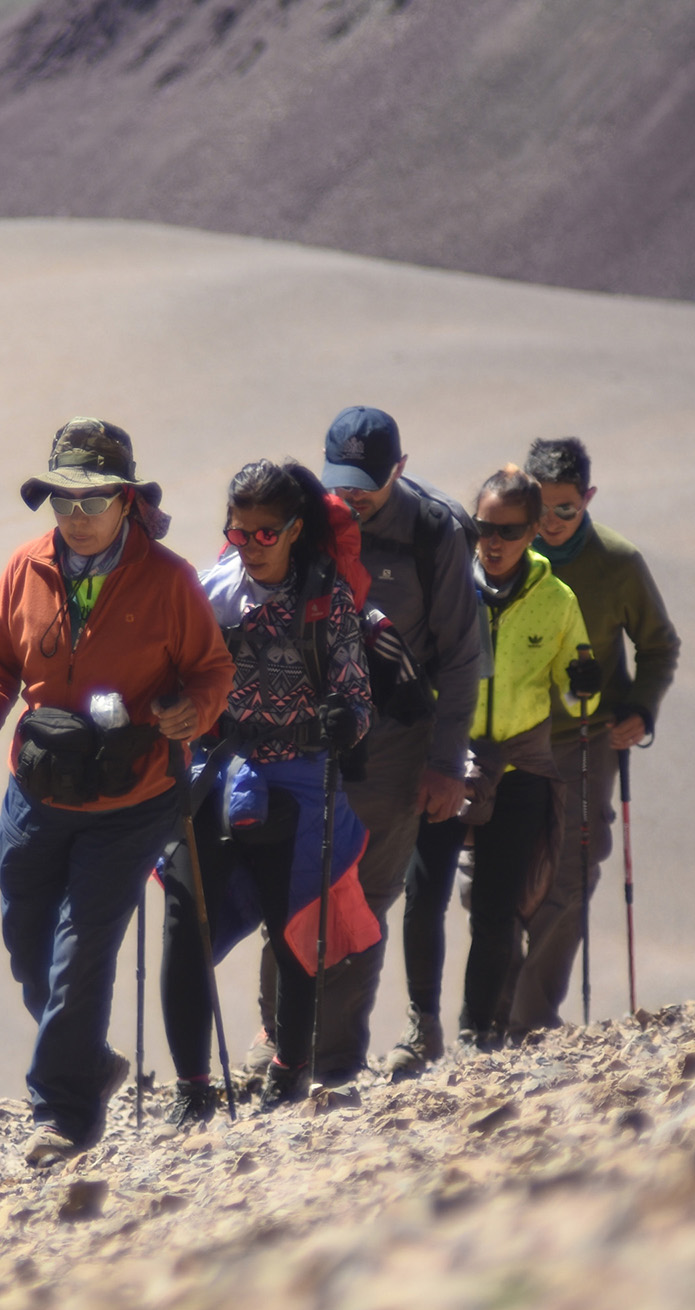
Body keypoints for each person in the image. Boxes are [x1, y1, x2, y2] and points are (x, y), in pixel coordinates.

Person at [0, 418, 232, 1166]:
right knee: (27, 942)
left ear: (126, 499)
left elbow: (211, 672)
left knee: (82, 952)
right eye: (61, 497)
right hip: (35, 796)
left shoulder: (169, 581)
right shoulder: (25, 567)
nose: (75, 513)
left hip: (133, 797)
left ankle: (62, 1114)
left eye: (92, 497)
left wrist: (188, 714)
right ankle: (91, 1063)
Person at [261, 407, 481, 1081]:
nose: (350, 494)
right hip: (307, 741)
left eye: (366, 481)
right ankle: (281, 1046)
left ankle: (335, 1063)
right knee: (290, 895)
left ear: (400, 469)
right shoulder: (307, 518)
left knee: (365, 898)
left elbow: (462, 657)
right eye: (340, 479)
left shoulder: (434, 532)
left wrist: (447, 765)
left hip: (393, 746)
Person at [158, 461, 379, 1122]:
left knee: (295, 931)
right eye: (239, 531)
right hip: (217, 769)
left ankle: (289, 1071)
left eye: (264, 533)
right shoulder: (208, 592)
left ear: (295, 530)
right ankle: (193, 1088)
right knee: (182, 919)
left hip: (303, 777)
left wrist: (347, 718)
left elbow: (357, 693)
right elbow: (176, 668)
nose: (249, 544)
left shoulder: (327, 598)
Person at [399, 465, 589, 1052]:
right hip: (445, 758)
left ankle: (477, 1031)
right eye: (483, 526)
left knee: (496, 908)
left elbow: (582, 691)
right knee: (424, 895)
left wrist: (588, 683)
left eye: (508, 529)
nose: (494, 541)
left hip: (519, 765)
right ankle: (422, 1027)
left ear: (534, 531)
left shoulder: (557, 600)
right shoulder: (450, 583)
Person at [503, 437, 681, 1032]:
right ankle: (493, 1020)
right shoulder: (498, 552)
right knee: (497, 876)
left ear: (589, 500)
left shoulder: (617, 563)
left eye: (566, 510)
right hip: (506, 740)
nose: (550, 524)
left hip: (585, 739)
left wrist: (641, 709)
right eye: (541, 508)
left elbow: (658, 646)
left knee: (575, 869)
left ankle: (528, 1021)